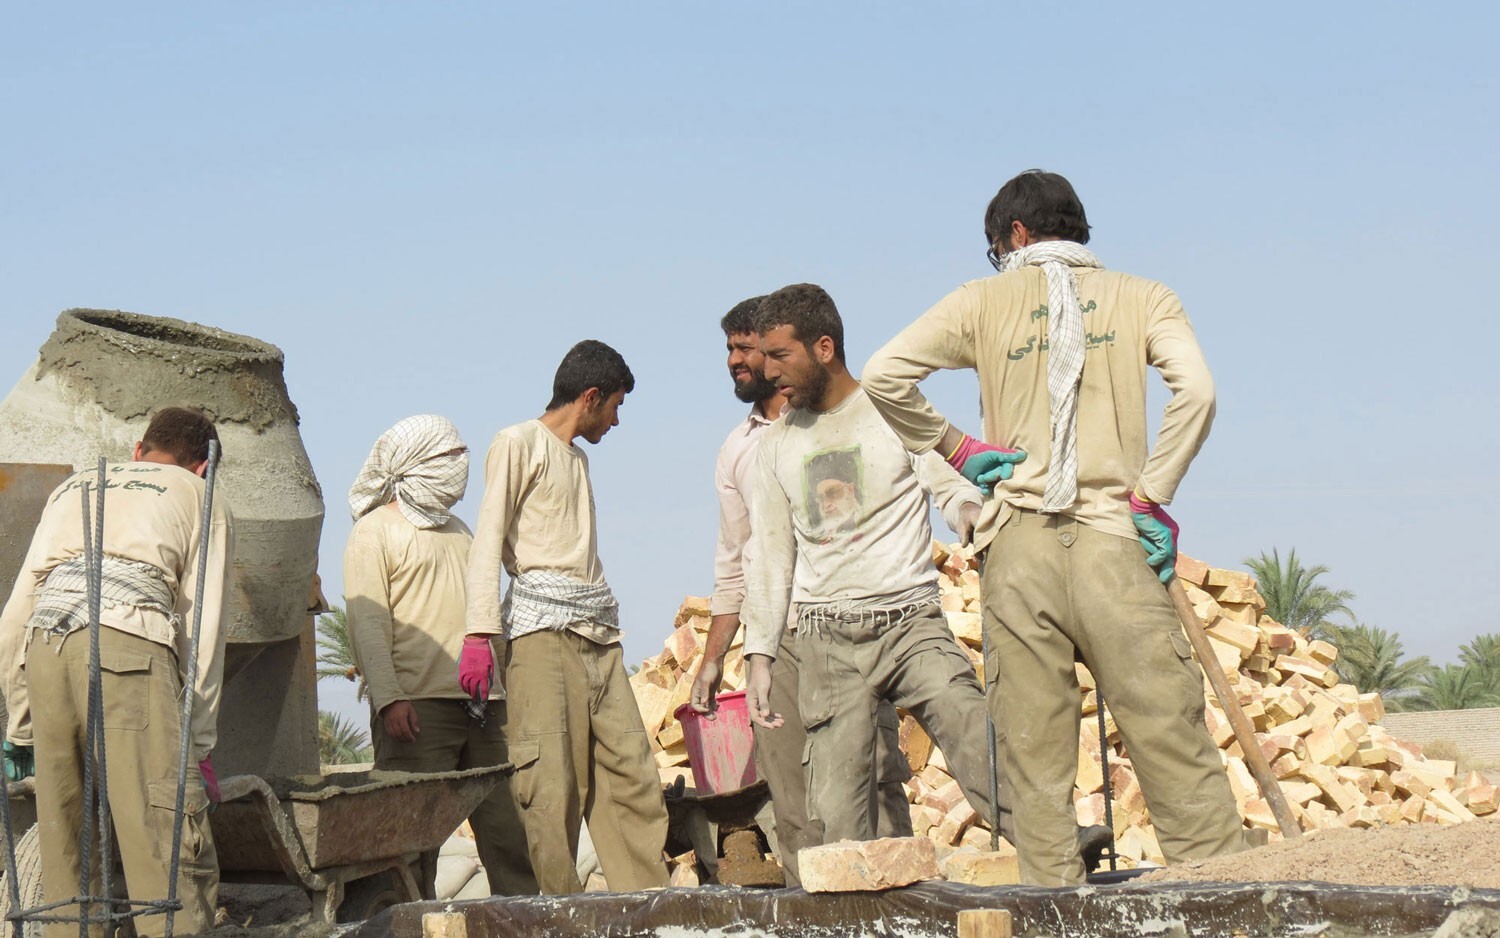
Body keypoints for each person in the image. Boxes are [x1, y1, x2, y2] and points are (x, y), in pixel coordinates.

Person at [860, 169, 1247, 885]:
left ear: (1014, 235)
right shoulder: (1144, 296)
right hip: (1115, 541)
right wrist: (1152, 494)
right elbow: (1198, 390)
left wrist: (957, 447)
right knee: (1171, 742)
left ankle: (1052, 916)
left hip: (1020, 548)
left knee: (1034, 766)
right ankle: (1224, 904)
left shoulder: (982, 300)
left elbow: (884, 374)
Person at [737, 284, 1018, 846]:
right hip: (826, 639)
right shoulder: (774, 446)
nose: (768, 372)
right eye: (763, 357)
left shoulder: (890, 410)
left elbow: (943, 477)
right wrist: (760, 655)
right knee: (839, 816)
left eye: (780, 355)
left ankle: (1046, 836)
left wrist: (966, 510)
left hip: (909, 620)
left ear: (823, 347)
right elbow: (770, 555)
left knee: (965, 718)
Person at [688, 296, 913, 887]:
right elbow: (735, 566)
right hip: (778, 641)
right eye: (731, 350)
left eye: (748, 349)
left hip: (846, 624)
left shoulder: (845, 421)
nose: (737, 362)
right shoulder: (737, 449)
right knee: (795, 803)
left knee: (874, 786)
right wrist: (714, 661)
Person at [0, 407, 233, 937]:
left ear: (138, 449)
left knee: (67, 844)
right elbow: (203, 624)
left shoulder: (75, 488)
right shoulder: (200, 494)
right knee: (163, 839)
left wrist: (19, 724)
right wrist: (197, 746)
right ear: (202, 466)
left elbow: (16, 611)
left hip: (46, 649)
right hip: (128, 647)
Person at [461, 340, 669, 895]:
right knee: (550, 789)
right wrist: (480, 632)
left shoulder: (577, 457)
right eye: (616, 406)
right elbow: (488, 540)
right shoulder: (517, 442)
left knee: (633, 779)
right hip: (541, 636)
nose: (618, 420)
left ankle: (649, 914)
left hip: (597, 632)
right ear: (591, 396)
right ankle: (556, 920)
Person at [344, 414, 536, 896]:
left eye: (460, 455)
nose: (460, 466)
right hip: (418, 710)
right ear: (414, 465)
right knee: (410, 849)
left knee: (510, 836)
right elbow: (368, 624)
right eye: (448, 457)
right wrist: (388, 698)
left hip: (484, 709)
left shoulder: (461, 531)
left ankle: (524, 922)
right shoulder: (374, 531)